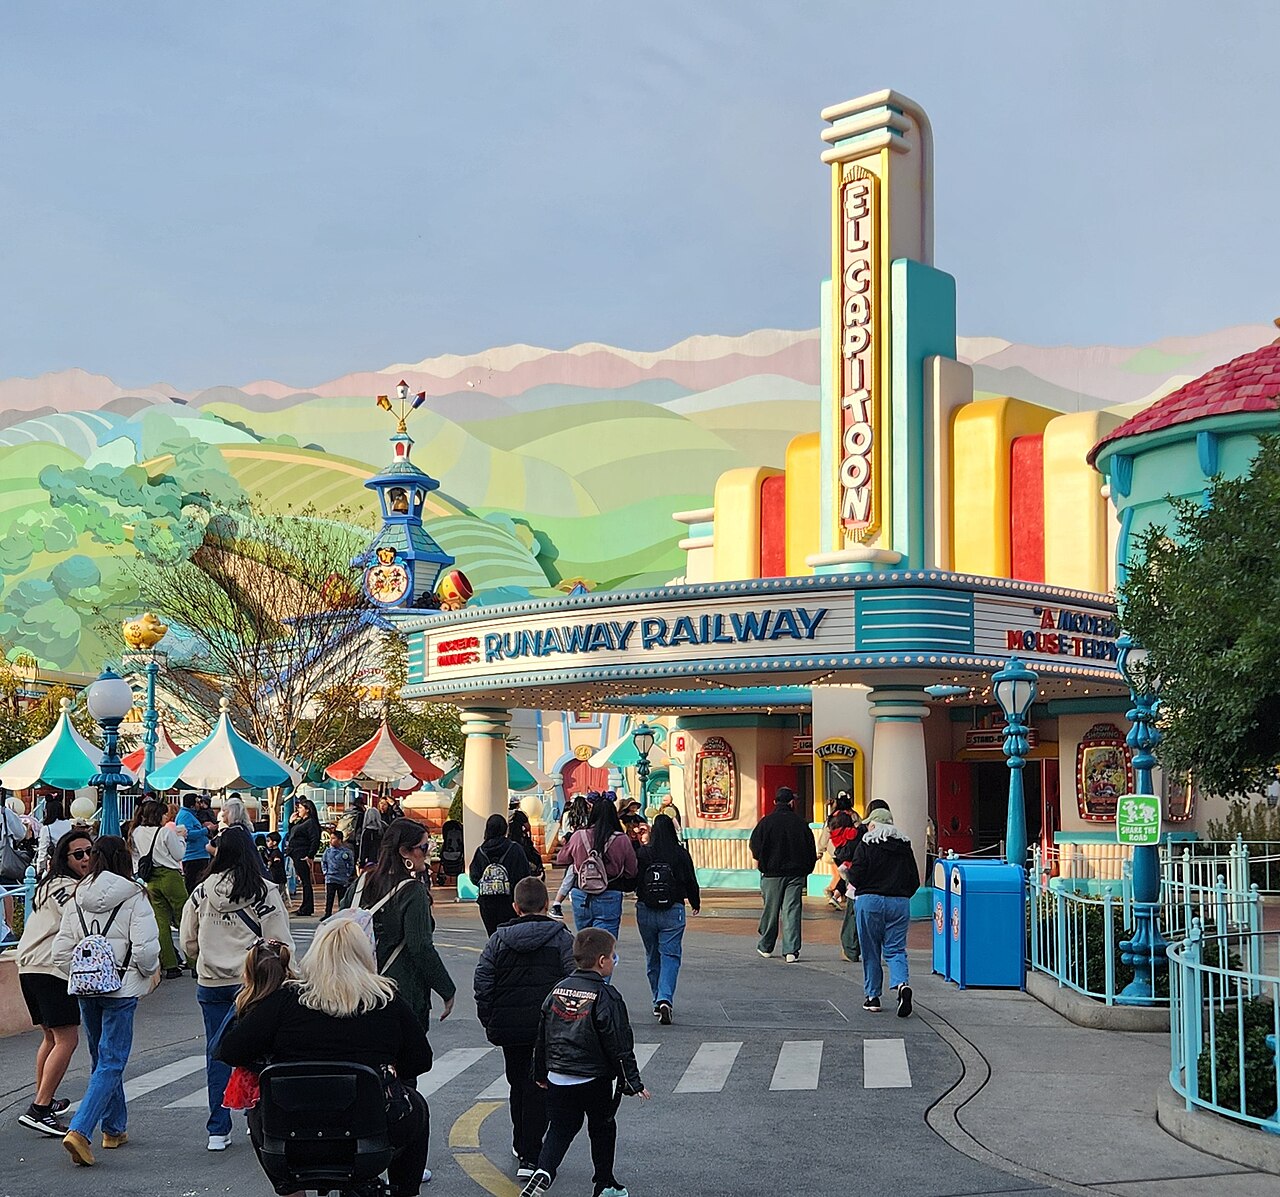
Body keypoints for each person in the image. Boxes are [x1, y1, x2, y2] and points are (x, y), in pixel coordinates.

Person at [216, 916, 433, 1197]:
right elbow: (420, 1061)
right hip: (371, 1135)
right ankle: (405, 1190)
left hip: (292, 1135)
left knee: (260, 1110)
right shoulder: (386, 1001)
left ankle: (290, 1189)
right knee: (416, 1105)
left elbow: (231, 1051)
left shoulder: (285, 1000)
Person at [180, 826, 294, 1151]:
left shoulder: (201, 892)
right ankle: (257, 1119)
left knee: (217, 1053)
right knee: (260, 1054)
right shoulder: (264, 891)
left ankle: (218, 1129)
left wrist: (204, 956)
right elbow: (280, 942)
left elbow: (188, 942)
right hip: (254, 985)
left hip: (211, 983)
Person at [52, 836, 161, 1166]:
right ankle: (81, 1130)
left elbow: (60, 952)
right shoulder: (134, 896)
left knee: (102, 1059)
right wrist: (144, 973)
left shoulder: (76, 897)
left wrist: (84, 972)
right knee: (112, 1061)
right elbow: (145, 950)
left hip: (87, 990)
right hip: (121, 989)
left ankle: (114, 1128)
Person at [522, 928, 649, 1197]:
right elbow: (620, 1043)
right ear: (602, 961)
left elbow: (542, 1036)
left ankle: (544, 1170)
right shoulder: (607, 996)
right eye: (613, 956)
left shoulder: (556, 990)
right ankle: (604, 1183)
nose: (615, 960)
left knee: (560, 1127)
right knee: (602, 1127)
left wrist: (541, 1072)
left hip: (558, 1077)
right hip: (593, 1079)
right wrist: (632, 1081)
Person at [474, 877, 575, 1181]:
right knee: (540, 1087)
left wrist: (489, 1018)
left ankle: (522, 1144)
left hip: (510, 1028)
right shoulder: (562, 939)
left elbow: (483, 983)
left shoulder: (499, 940)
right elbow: (573, 981)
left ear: (515, 907)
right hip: (548, 1028)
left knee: (517, 1084)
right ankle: (531, 1155)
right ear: (546, 906)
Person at [15, 828, 94, 1136]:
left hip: (28, 966)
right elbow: (85, 919)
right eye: (78, 854)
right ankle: (39, 1107)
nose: (86, 858)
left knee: (50, 1038)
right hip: (51, 968)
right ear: (65, 858)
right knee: (68, 1039)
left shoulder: (46, 886)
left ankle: (42, 1101)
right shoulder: (68, 888)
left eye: (90, 852)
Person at [346, 818, 456, 1032]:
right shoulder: (412, 891)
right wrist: (446, 989)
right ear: (404, 852)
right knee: (405, 1060)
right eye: (424, 847)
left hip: (355, 989)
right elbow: (420, 946)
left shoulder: (360, 884)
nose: (428, 852)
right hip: (399, 992)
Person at [846, 800, 920, 1016]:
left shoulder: (866, 844)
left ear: (873, 825)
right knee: (896, 949)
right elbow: (914, 880)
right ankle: (901, 985)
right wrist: (901, 895)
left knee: (871, 950)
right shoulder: (904, 846)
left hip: (870, 901)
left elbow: (856, 875)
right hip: (899, 902)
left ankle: (873, 997)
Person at [633, 813, 700, 1024]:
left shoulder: (644, 853)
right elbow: (690, 880)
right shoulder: (680, 854)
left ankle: (656, 999)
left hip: (646, 910)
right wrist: (695, 902)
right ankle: (665, 999)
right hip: (674, 910)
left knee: (652, 955)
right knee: (670, 956)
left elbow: (635, 879)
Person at [218, 937, 294, 1115]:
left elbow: (230, 1050)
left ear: (249, 974)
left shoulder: (247, 1004)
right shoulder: (296, 999)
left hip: (257, 1077)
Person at [749, 786, 817, 963]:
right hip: (795, 874)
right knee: (792, 911)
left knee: (770, 910)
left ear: (775, 802)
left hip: (771, 874)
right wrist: (807, 870)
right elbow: (811, 849)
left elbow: (754, 845)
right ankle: (791, 951)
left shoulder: (766, 822)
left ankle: (766, 946)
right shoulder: (801, 824)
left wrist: (761, 860)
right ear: (791, 802)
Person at [555, 799, 636, 937]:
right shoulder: (622, 839)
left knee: (585, 941)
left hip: (581, 895)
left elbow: (562, 859)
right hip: (610, 893)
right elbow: (631, 871)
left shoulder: (578, 836)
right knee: (605, 944)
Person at [128, 798, 189, 980]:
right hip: (170, 875)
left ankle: (170, 964)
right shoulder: (165, 833)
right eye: (164, 814)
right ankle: (194, 961)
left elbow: (136, 856)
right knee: (184, 918)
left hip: (151, 878)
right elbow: (179, 854)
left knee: (161, 923)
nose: (166, 817)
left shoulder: (137, 832)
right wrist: (181, 838)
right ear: (158, 815)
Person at [470, 814, 533, 936]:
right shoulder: (515, 849)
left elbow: (474, 876)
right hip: (510, 903)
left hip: (487, 903)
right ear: (505, 829)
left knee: (494, 938)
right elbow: (524, 875)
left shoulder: (481, 851)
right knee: (512, 936)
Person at [832, 811, 865, 963]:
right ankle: (853, 947)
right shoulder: (855, 833)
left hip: (847, 869)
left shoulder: (835, 834)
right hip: (858, 872)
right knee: (854, 911)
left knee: (852, 911)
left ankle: (850, 948)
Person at [550, 794, 590, 918]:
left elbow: (565, 830)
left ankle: (558, 902)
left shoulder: (568, 815)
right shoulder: (588, 816)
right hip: (585, 844)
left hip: (572, 842)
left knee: (571, 872)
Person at [284, 798, 321, 916]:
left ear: (307, 810)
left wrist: (310, 855)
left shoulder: (310, 823)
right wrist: (291, 822)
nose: (298, 810)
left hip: (302, 853)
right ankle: (305, 906)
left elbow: (315, 839)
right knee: (304, 881)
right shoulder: (301, 822)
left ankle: (307, 907)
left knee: (305, 881)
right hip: (295, 852)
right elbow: (292, 834)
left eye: (300, 808)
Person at [818, 794, 854, 907]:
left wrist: (820, 850)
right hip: (848, 850)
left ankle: (836, 894)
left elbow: (825, 834)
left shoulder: (832, 817)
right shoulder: (852, 815)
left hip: (833, 851)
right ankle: (841, 895)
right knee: (848, 874)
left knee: (842, 874)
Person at [175, 792, 212, 894]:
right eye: (197, 802)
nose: (199, 804)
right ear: (192, 804)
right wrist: (206, 830)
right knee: (194, 886)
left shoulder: (190, 815)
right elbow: (188, 834)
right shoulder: (185, 816)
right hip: (194, 856)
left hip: (198, 855)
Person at [35, 794, 74, 877]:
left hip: (55, 865)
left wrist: (39, 870)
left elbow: (43, 851)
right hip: (69, 861)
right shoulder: (69, 824)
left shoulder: (46, 829)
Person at [321, 828, 356, 917]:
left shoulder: (346, 852)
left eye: (333, 838)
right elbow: (323, 862)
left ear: (339, 840)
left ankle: (342, 913)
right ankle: (327, 913)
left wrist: (348, 874)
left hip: (342, 878)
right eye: (331, 838)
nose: (331, 841)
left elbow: (351, 863)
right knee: (329, 897)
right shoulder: (328, 851)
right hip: (330, 878)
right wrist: (325, 872)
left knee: (342, 897)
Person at [508, 809, 546, 879]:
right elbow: (527, 827)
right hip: (520, 841)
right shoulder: (519, 814)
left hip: (509, 840)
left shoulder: (506, 813)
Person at [261, 831, 287, 903]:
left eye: (268, 841)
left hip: (278, 879)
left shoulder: (276, 853)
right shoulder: (272, 852)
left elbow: (275, 862)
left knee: (278, 898)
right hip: (275, 879)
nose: (267, 843)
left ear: (274, 842)